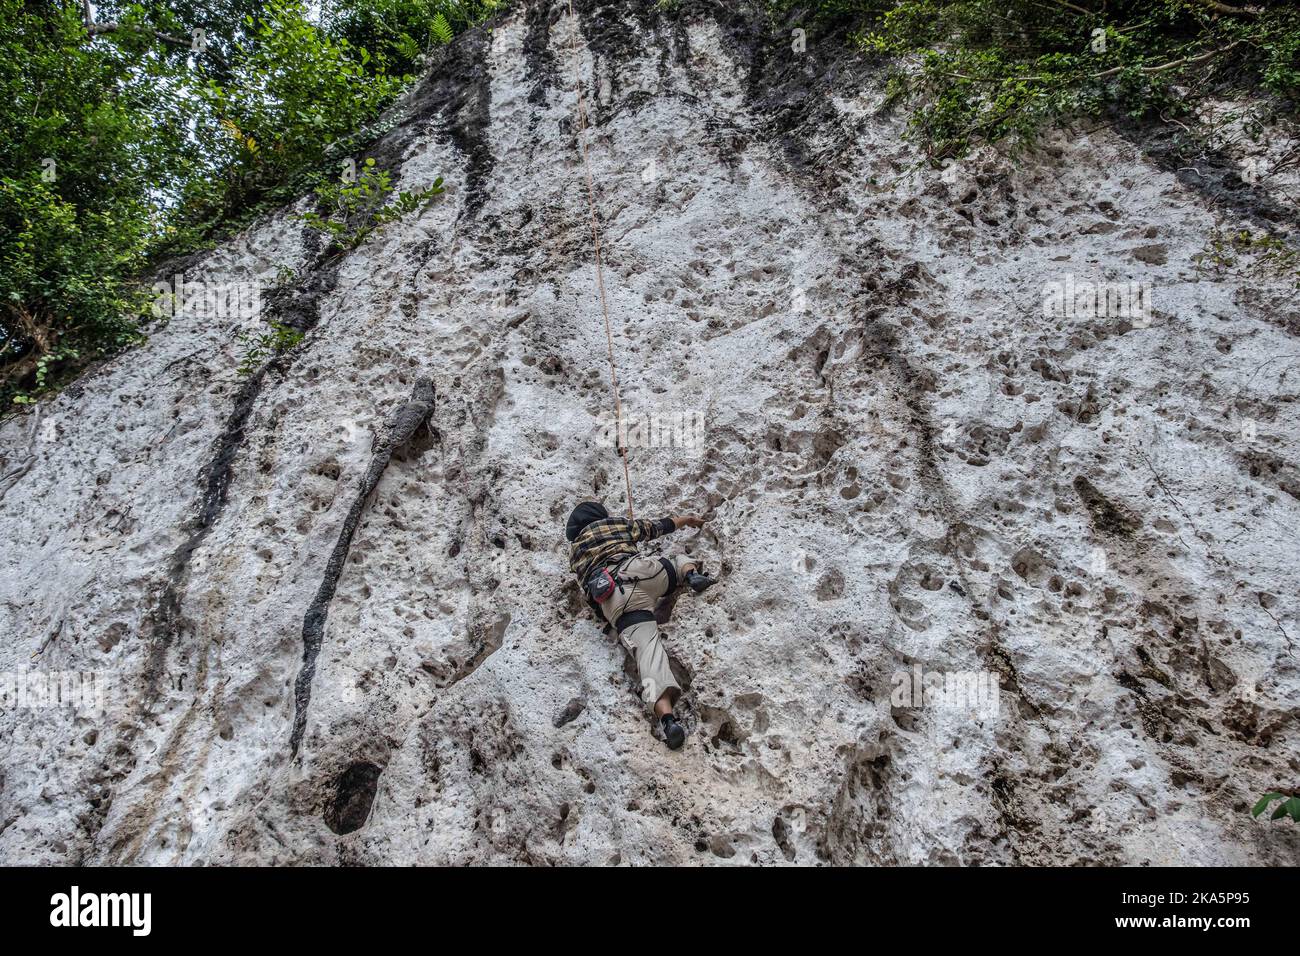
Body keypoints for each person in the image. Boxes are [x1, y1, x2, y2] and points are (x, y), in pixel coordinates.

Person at [565, 501, 716, 749]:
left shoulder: (575, 553)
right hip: (639, 572)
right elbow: (658, 527)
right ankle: (691, 575)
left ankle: (668, 720)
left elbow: (589, 596)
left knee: (648, 656)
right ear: (598, 515)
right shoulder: (613, 524)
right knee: (676, 560)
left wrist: (610, 620)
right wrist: (686, 519)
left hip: (613, 599)